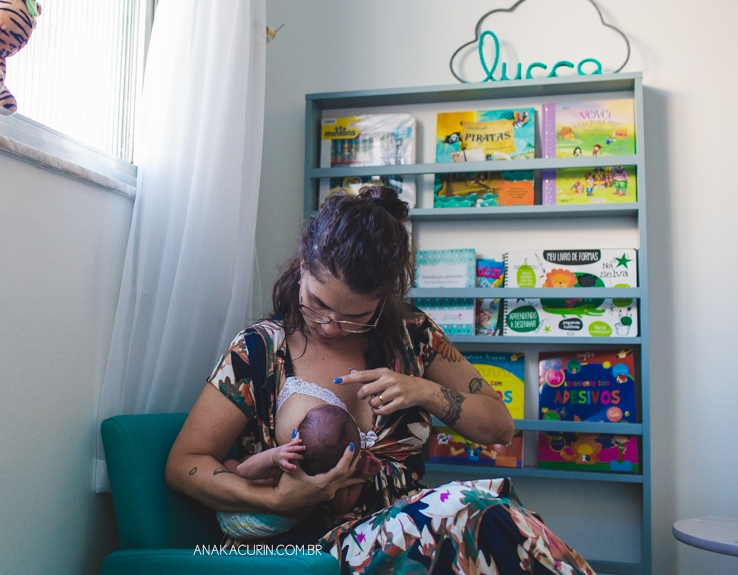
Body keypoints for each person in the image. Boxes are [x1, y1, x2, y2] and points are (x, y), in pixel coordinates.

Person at [165, 186, 595, 574]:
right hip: (303, 550)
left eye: (354, 316)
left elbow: (499, 426)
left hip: (407, 535)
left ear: (384, 298)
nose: (331, 327)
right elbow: (185, 465)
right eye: (317, 303)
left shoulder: (415, 334)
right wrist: (275, 501)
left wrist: (424, 390)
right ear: (302, 266)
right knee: (467, 508)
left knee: (493, 514)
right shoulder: (258, 350)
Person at [216, 403, 380, 539]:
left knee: (232, 464)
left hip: (241, 521)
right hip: (274, 527)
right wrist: (360, 476)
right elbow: (342, 507)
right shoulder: (332, 481)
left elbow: (242, 471)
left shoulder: (288, 467)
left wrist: (274, 456)